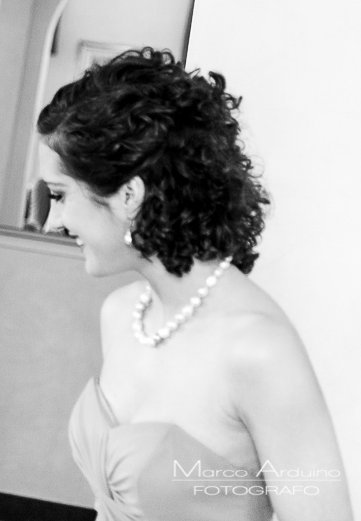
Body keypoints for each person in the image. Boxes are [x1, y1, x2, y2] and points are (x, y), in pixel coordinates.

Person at [37, 48, 352, 521]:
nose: (50, 222)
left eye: (59, 197)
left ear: (128, 195)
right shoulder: (121, 316)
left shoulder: (257, 350)